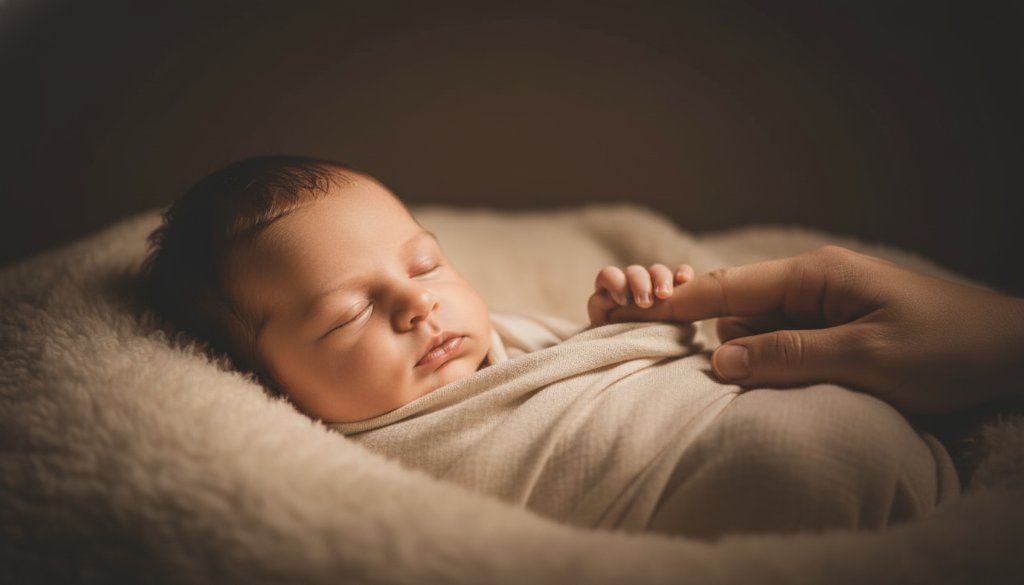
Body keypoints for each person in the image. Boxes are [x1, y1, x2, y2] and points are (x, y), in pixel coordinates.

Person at [142, 155, 981, 539]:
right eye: (343, 317)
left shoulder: (506, 338)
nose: (415, 305)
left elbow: (601, 375)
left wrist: (635, 322)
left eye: (426, 265)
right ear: (259, 381)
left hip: (858, 431)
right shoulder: (360, 463)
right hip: (768, 500)